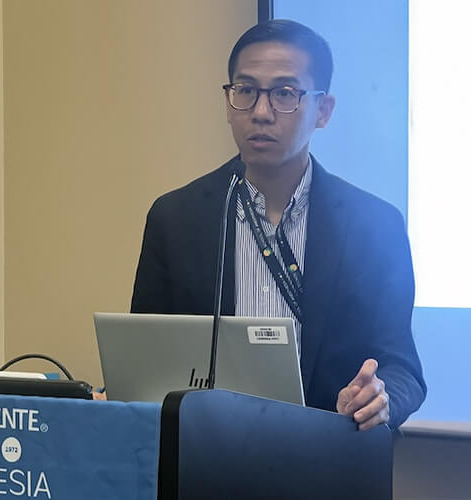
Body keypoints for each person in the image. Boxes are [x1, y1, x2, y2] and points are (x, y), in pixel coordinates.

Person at [131, 19, 425, 429]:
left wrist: (379, 398)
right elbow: (145, 356)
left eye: (285, 93)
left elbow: (403, 369)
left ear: (323, 110)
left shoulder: (375, 226)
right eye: (246, 91)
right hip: (206, 463)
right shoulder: (175, 218)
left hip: (330, 465)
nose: (261, 112)